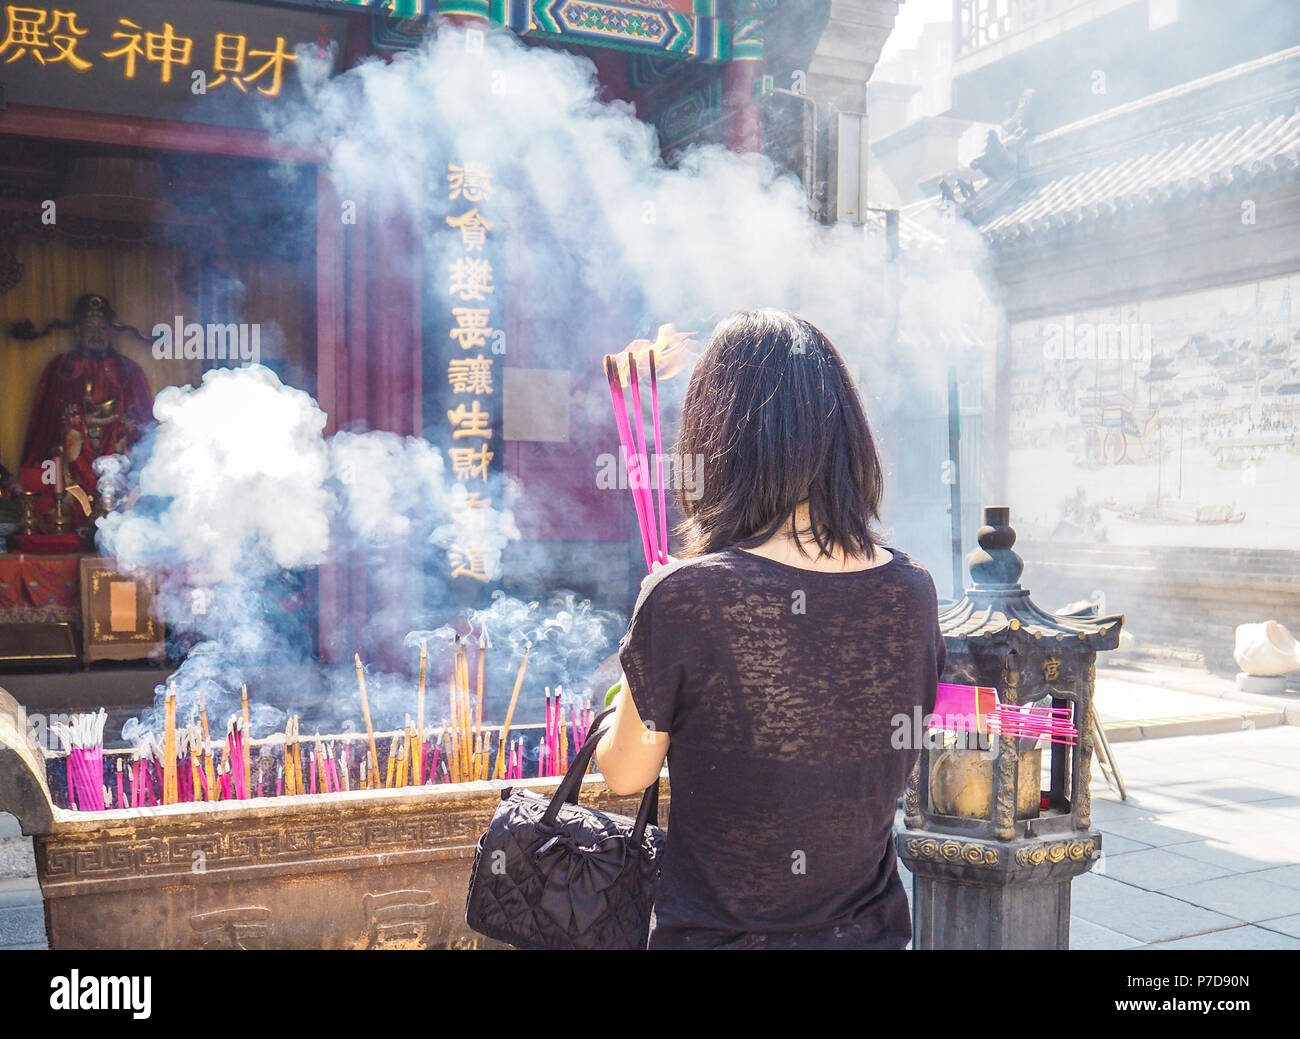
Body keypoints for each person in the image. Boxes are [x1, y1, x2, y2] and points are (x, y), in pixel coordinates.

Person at [596, 309, 944, 950]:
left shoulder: (687, 596)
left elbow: (623, 774)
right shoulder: (913, 591)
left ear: (716, 441)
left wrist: (641, 643)